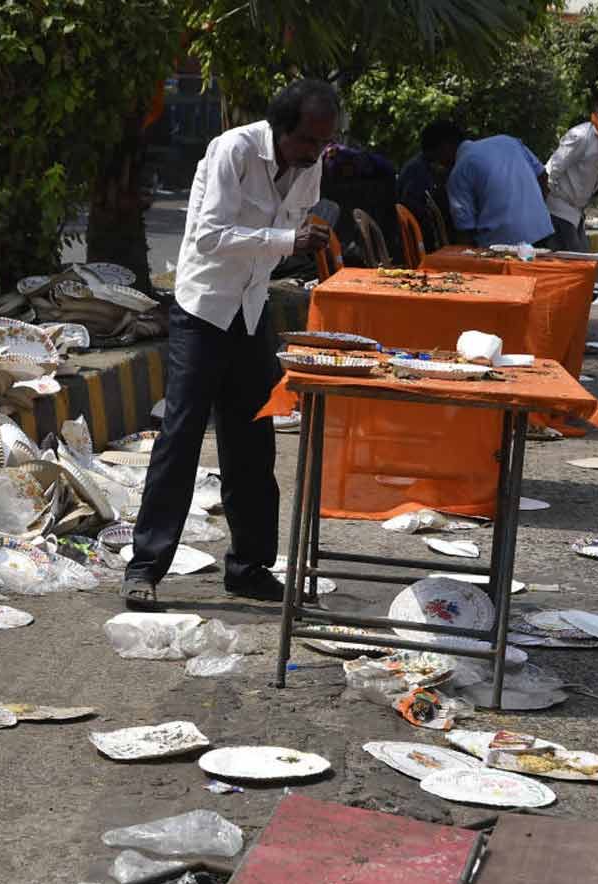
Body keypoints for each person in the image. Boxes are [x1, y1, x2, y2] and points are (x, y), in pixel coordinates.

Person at [120, 79, 339, 611]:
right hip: (203, 308)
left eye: (322, 144)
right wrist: (289, 240)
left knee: (253, 440)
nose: (314, 154)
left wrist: (309, 239)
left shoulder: (310, 167)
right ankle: (145, 568)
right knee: (182, 436)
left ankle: (249, 567)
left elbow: (297, 231)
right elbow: (210, 236)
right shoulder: (234, 150)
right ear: (282, 129)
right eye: (308, 142)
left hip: (250, 309)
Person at [545, 87, 598, 252]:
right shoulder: (581, 136)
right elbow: (549, 171)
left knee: (582, 263)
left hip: (577, 211)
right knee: (578, 263)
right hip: (558, 208)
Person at [435, 133, 553, 248]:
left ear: (444, 148)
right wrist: (535, 210)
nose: (438, 165)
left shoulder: (459, 171)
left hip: (502, 244)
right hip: (541, 230)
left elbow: (465, 229)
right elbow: (542, 175)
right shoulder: (508, 141)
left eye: (435, 159)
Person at [397, 121, 462, 248]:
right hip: (423, 248)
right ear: (444, 146)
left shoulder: (424, 167)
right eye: (455, 147)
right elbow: (414, 213)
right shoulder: (417, 172)